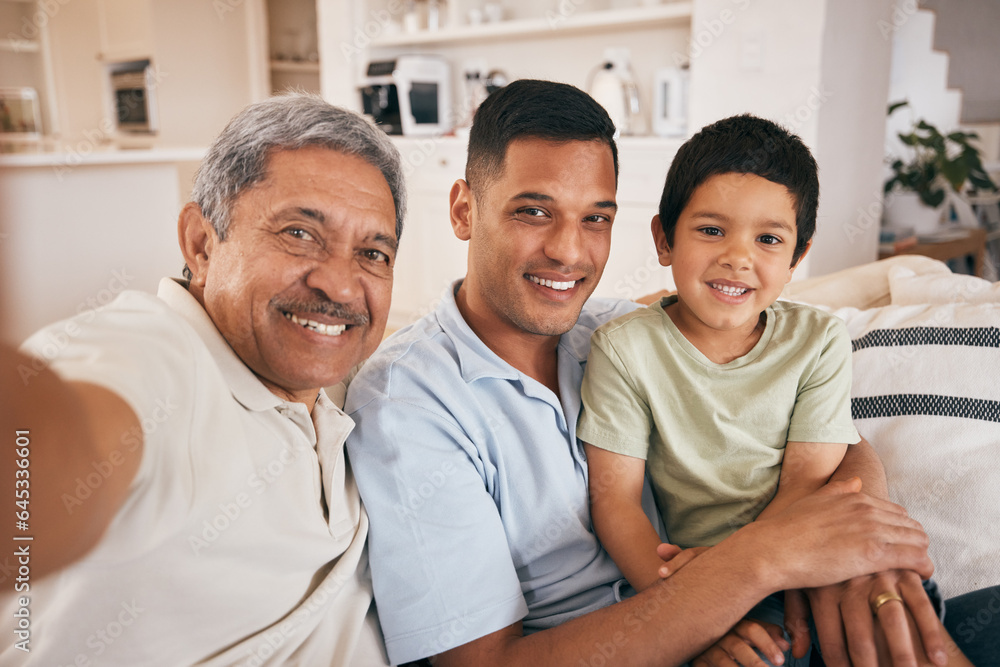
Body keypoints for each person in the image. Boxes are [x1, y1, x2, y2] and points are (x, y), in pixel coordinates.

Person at [344, 79, 957, 667]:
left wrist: (864, 551)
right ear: (463, 211)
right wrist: (741, 580)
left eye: (597, 218)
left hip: (747, 609)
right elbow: (485, 663)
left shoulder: (620, 329)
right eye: (534, 212)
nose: (569, 251)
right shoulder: (409, 404)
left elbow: (835, 443)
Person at [0, 93, 402, 665]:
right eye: (299, 233)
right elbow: (55, 461)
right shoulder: (158, 356)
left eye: (372, 252)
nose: (340, 285)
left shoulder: (338, 401)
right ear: (202, 243)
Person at [577, 114, 859, 664]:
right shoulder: (623, 349)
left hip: (801, 564)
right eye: (711, 230)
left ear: (798, 256)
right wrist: (685, 598)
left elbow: (806, 481)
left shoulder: (821, 341)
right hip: (680, 583)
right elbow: (615, 502)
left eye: (769, 239)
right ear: (664, 239)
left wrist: (738, 571)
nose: (738, 257)